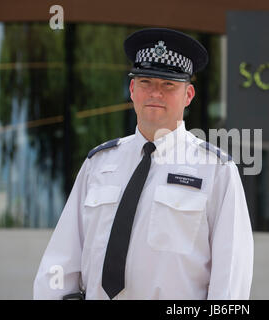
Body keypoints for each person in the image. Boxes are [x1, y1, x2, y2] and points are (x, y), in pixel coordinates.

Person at [33, 28, 254, 300]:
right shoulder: (98, 164)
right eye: (146, 82)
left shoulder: (217, 172)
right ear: (132, 89)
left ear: (188, 95)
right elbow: (61, 260)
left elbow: (231, 277)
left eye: (168, 85)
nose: (155, 94)